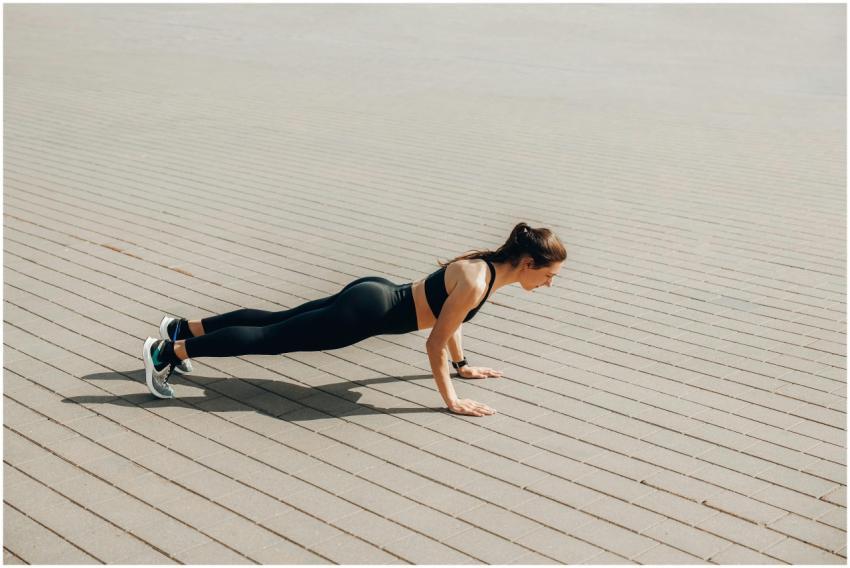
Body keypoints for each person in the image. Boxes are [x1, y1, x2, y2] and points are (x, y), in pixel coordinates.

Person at [142, 222, 566, 417]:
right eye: (548, 276)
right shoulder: (478, 282)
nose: (549, 285)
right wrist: (451, 399)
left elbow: (450, 321)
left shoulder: (483, 267)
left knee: (276, 320)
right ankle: (167, 352)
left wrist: (462, 365)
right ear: (527, 263)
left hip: (373, 291)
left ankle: (183, 328)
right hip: (364, 314)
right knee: (269, 337)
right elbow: (435, 340)